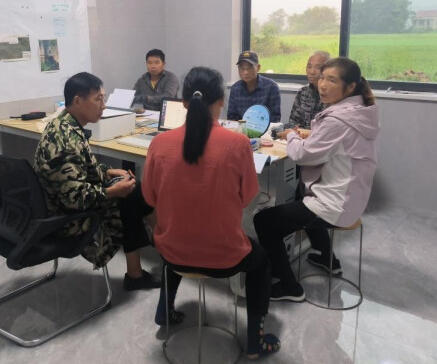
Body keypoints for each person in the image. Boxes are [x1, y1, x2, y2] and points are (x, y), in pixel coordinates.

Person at [142, 66, 281, 360]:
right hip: (225, 256)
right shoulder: (238, 144)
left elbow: (149, 198)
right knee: (261, 262)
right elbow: (247, 197)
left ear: (183, 103)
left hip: (172, 252)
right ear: (221, 102)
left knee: (175, 236)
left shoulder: (159, 144)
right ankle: (256, 342)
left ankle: (164, 311)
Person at [254, 58, 379, 301]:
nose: (322, 84)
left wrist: (291, 136)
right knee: (300, 194)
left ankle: (289, 287)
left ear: (350, 86)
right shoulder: (360, 112)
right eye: (322, 77)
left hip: (335, 204)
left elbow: (301, 155)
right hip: (353, 198)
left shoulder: (337, 120)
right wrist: (312, 134)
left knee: (264, 221)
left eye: (331, 80)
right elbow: (336, 141)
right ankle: (328, 259)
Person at [34, 72, 160, 290]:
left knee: (130, 187)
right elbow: (75, 199)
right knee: (131, 194)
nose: (103, 105)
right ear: (77, 101)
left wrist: (108, 172)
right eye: (98, 99)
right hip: (66, 219)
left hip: (57, 205)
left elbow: (79, 169)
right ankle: (162, 242)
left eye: (104, 98)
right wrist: (113, 191)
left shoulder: (63, 124)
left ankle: (147, 257)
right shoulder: (67, 139)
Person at [276, 50, 330, 139]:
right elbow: (293, 122)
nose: (312, 72)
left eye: (318, 67)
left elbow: (328, 131)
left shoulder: (333, 96)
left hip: (322, 140)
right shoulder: (303, 92)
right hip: (300, 139)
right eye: (309, 66)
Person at [227, 51, 281, 122]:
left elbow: (275, 119)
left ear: (258, 68)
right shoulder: (235, 88)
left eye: (249, 68)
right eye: (242, 68)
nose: (245, 72)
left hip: (265, 128)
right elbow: (231, 118)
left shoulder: (271, 87)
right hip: (240, 127)